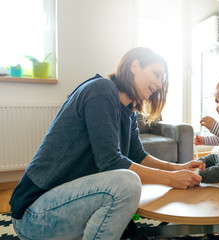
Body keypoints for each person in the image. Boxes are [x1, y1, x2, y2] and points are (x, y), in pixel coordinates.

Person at [9, 47, 203, 240]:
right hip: (34, 215)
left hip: (65, 206)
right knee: (126, 183)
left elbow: (138, 155)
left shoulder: (129, 110)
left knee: (127, 183)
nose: (159, 84)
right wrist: (170, 179)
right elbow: (110, 162)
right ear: (135, 65)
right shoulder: (101, 89)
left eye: (162, 79)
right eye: (156, 74)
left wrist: (177, 169)